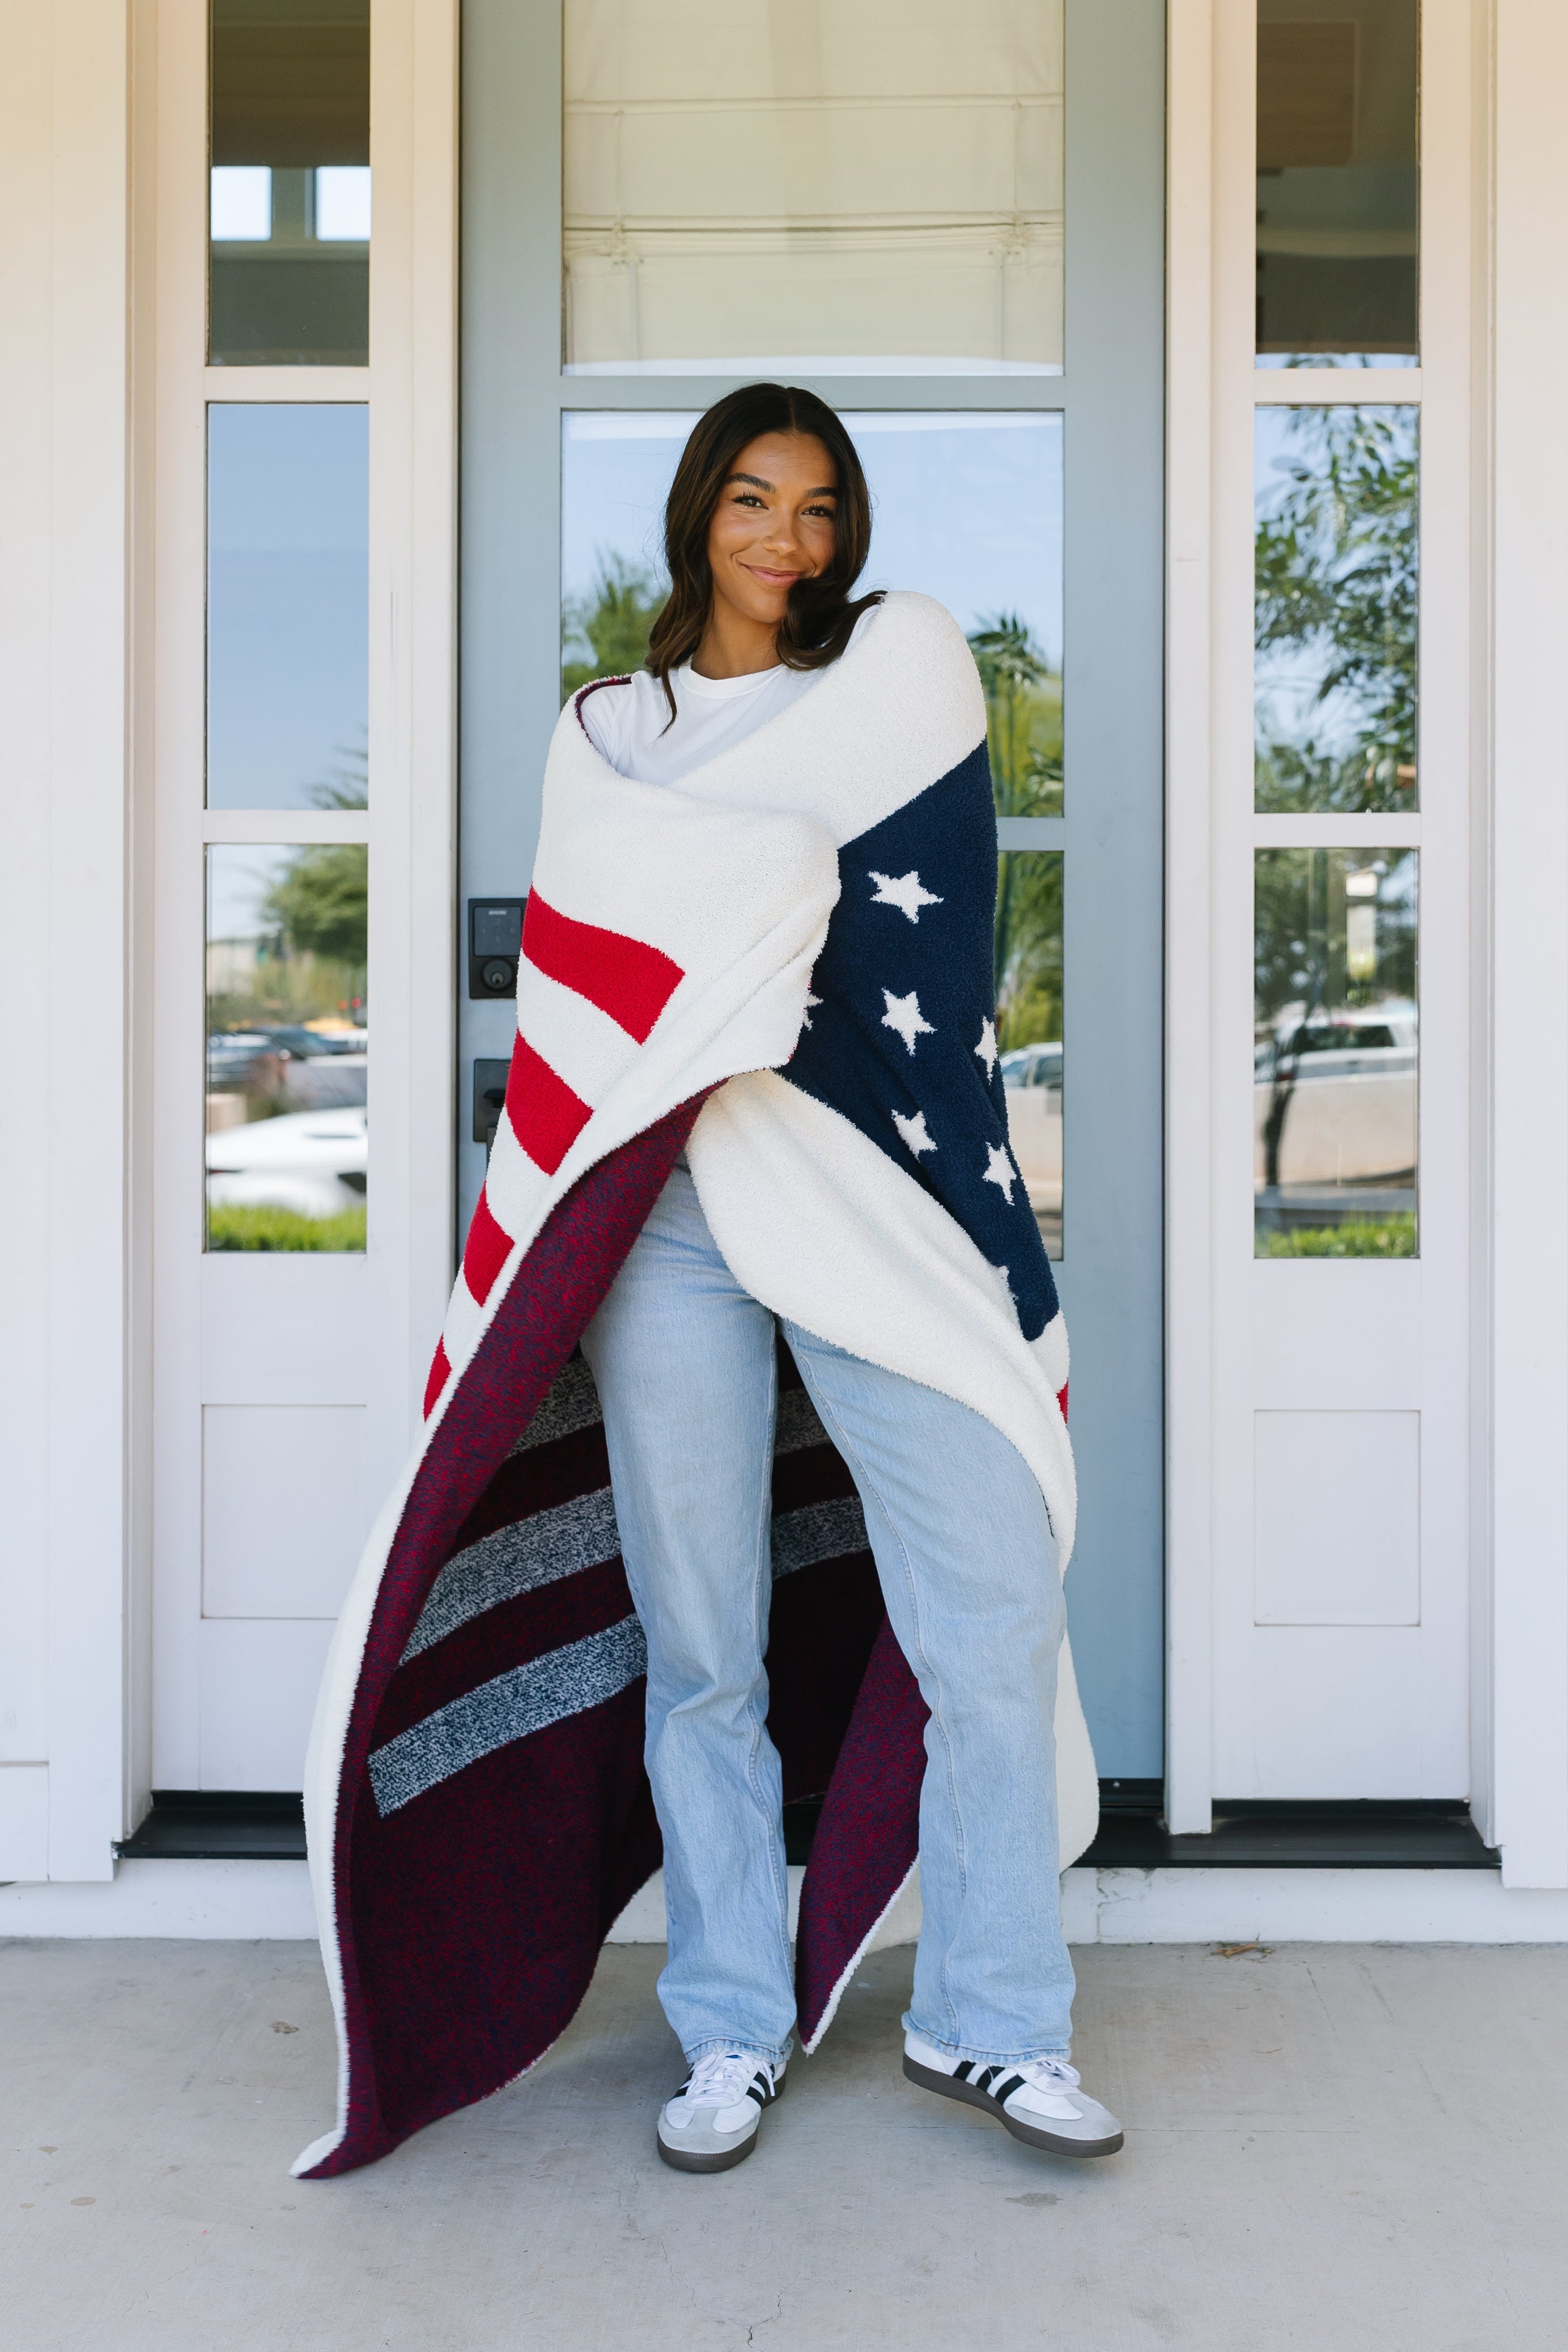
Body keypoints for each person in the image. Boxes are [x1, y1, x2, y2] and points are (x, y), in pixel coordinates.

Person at [573, 383, 1123, 2175]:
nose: (784, 541)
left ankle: (993, 2019)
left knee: (990, 1609)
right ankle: (727, 2025)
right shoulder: (612, 733)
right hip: (671, 1207)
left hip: (863, 1188)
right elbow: (601, 992)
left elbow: (918, 943)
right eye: (750, 500)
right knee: (702, 1643)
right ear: (696, 516)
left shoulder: (895, 679)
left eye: (817, 509)